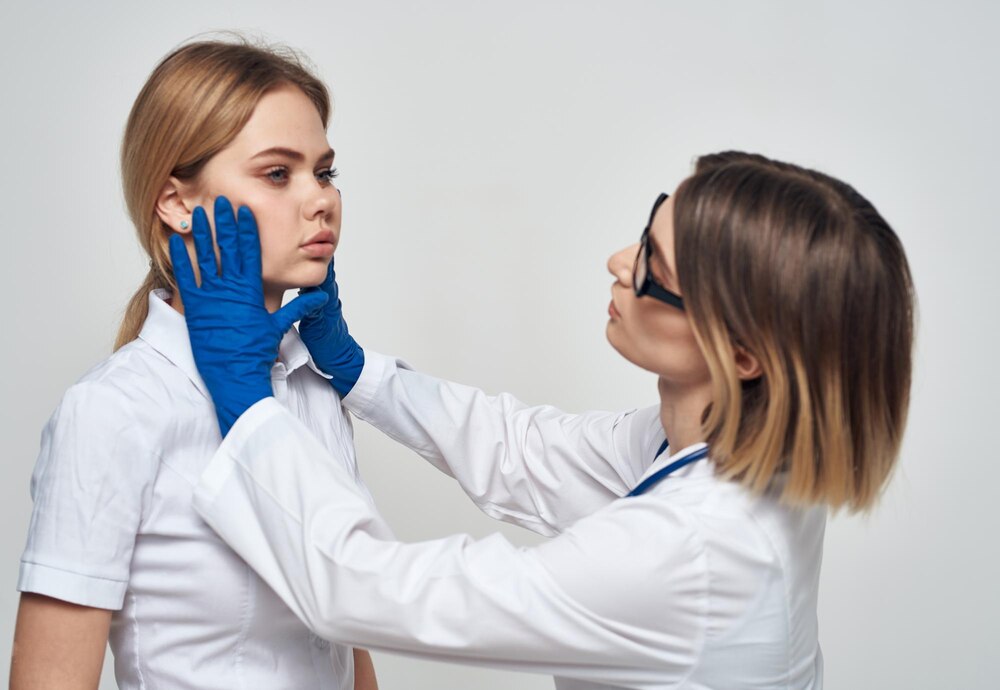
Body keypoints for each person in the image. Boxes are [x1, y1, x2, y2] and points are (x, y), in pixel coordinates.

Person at [175, 151, 914, 689]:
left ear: (744, 350)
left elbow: (370, 592)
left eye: (654, 266)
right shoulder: (725, 449)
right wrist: (357, 368)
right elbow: (523, 449)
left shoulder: (690, 552)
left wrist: (248, 403)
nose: (618, 261)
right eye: (645, 230)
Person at [10, 39, 378, 690]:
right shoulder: (114, 410)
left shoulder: (313, 387)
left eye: (324, 172)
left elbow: (346, 641)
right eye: (276, 173)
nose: (319, 200)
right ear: (176, 203)